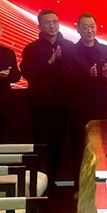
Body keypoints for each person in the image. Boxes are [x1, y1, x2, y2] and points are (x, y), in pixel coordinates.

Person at [21, 9, 77, 182]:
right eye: (47, 23)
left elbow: (77, 73)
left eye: (55, 22)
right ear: (39, 26)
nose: (52, 26)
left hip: (66, 105)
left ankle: (60, 186)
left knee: (64, 147)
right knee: (41, 146)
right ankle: (42, 184)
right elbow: (27, 73)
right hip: (40, 106)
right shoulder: (31, 49)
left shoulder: (70, 46)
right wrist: (49, 62)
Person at [73, 13, 107, 120]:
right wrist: (88, 74)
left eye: (92, 26)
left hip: (101, 102)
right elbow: (68, 77)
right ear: (78, 29)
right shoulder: (72, 51)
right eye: (85, 27)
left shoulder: (105, 50)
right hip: (79, 103)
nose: (90, 31)